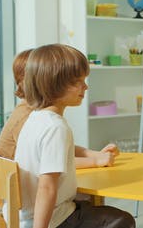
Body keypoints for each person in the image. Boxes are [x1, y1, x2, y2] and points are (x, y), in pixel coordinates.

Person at [14, 44, 135, 228]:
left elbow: (59, 155)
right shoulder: (56, 127)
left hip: (24, 216)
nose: (85, 87)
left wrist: (94, 156)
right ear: (54, 84)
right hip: (51, 220)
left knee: (86, 203)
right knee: (123, 220)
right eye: (77, 81)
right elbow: (47, 188)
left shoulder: (34, 119)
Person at [0, 49, 119, 168]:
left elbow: (58, 149)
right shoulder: (28, 117)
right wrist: (95, 161)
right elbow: (51, 161)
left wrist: (96, 155)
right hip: (13, 186)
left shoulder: (40, 112)